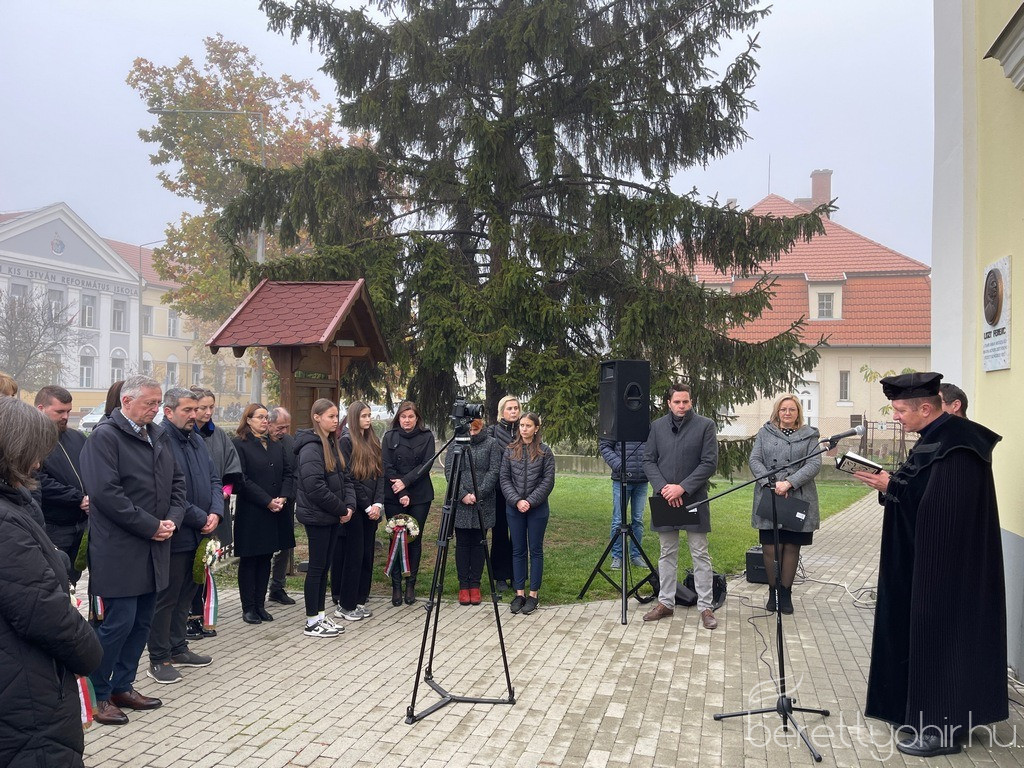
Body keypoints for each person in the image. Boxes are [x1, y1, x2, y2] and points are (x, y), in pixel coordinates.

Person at [853, 372, 1006, 758]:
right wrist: (891, 487)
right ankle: (915, 711)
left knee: (942, 638)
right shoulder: (935, 437)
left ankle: (942, 729)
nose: (896, 417)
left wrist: (893, 488)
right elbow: (920, 493)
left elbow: (945, 515)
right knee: (921, 635)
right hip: (924, 563)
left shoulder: (957, 445)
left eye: (900, 410)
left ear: (926, 408)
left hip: (946, 571)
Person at [0, 397, 103, 768]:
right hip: (24, 694)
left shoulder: (13, 509)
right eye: (35, 453)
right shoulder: (5, 523)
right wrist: (90, 654)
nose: (39, 464)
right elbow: (41, 610)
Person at [80, 374, 186, 725]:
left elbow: (177, 483)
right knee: (117, 624)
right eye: (149, 403)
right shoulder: (105, 438)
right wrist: (150, 525)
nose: (156, 409)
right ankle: (97, 694)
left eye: (158, 403)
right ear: (126, 401)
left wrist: (172, 520)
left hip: (155, 546)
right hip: (120, 550)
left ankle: (122, 686)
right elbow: (107, 495)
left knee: (141, 623)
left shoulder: (157, 435)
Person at [146, 388, 221, 684]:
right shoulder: (161, 440)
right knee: (167, 597)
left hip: (201, 533)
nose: (194, 415)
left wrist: (216, 511)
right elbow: (168, 491)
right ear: (168, 412)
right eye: (187, 410)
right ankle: (159, 657)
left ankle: (179, 648)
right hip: (177, 533)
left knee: (187, 593)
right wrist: (202, 517)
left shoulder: (196, 439)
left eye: (196, 409)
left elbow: (214, 478)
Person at [641, 383, 719, 629]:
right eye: (677, 402)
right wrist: (665, 488)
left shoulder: (705, 426)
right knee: (667, 552)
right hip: (664, 498)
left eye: (685, 401)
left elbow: (709, 463)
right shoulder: (657, 427)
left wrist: (682, 488)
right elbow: (648, 460)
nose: (682, 406)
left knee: (700, 553)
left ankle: (706, 607)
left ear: (691, 401)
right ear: (669, 403)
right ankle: (665, 602)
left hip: (694, 498)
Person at [748, 394, 821, 614]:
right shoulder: (764, 432)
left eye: (792, 409)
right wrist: (771, 483)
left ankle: (786, 593)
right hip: (769, 493)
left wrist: (789, 483)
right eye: (783, 409)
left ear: (798, 412)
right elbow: (754, 460)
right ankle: (773, 592)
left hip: (797, 495)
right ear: (777, 412)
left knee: (790, 545)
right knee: (771, 547)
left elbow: (814, 463)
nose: (787, 413)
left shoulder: (810, 436)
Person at [295, 399, 355, 637]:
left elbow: (345, 477)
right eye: (330, 416)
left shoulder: (331, 443)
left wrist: (349, 506)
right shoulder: (310, 448)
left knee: (324, 568)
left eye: (336, 416)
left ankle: (320, 615)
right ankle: (311, 621)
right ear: (317, 417)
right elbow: (315, 487)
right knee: (316, 568)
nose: (335, 420)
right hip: (317, 515)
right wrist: (341, 509)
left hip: (331, 515)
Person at [232, 403, 295, 625]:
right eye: (259, 417)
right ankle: (248, 607)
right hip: (253, 511)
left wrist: (283, 497)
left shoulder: (275, 444)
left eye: (266, 417)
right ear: (248, 420)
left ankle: (260, 605)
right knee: (250, 560)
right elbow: (241, 479)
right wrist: (266, 500)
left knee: (266, 557)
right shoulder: (240, 444)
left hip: (275, 509)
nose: (265, 421)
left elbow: (288, 473)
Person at [188, 386, 242, 639]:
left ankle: (201, 615)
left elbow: (231, 466)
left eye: (211, 407)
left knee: (206, 564)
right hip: (193, 511)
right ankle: (189, 617)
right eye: (203, 407)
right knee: (191, 566)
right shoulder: (186, 435)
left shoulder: (218, 435)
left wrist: (226, 488)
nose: (208, 412)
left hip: (215, 508)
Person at [499, 411, 555, 615]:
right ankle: (519, 593)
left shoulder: (545, 452)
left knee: (535, 550)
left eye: (528, 425)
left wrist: (530, 502)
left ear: (536, 428)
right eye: (521, 425)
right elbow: (504, 478)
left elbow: (548, 481)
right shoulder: (510, 450)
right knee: (518, 550)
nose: (524, 429)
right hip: (514, 508)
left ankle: (533, 595)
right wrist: (517, 501)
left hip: (537, 509)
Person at [34, 385, 89, 585]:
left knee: (73, 580)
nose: (65, 417)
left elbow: (91, 470)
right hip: (54, 526)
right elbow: (38, 480)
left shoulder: (77, 437)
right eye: (59, 412)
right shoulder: (31, 440)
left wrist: (91, 496)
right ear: (41, 408)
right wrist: (78, 498)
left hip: (81, 524)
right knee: (54, 581)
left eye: (68, 411)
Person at [382, 400, 435, 606]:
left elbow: (426, 464)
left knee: (414, 538)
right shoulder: (389, 437)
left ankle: (410, 584)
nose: (407, 420)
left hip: (420, 494)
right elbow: (386, 465)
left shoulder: (427, 436)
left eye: (411, 417)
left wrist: (406, 482)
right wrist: (401, 490)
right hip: (394, 493)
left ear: (417, 418)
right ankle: (396, 586)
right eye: (403, 417)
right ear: (398, 418)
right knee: (396, 538)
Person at [446, 418, 502, 605]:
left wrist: (479, 493)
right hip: (461, 501)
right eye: (469, 430)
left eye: (475, 430)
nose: (471, 433)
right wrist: (462, 494)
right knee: (462, 544)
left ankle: (475, 584)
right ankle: (464, 585)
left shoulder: (492, 444)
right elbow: (450, 471)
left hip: (483, 501)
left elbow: (494, 471)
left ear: (481, 428)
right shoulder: (456, 443)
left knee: (479, 543)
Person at [337, 401, 385, 619]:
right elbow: (350, 478)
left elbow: (381, 473)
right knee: (354, 556)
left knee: (367, 555)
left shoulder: (373, 439)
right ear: (354, 418)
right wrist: (366, 506)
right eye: (364, 416)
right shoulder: (346, 441)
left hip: (372, 508)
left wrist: (378, 504)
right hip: (357, 508)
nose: (368, 419)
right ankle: (346, 605)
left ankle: (359, 600)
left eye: (369, 415)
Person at [598, 437, 648, 570]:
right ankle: (617, 556)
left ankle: (636, 556)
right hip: (621, 479)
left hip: (642, 480)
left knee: (638, 520)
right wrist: (620, 466)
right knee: (618, 520)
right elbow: (605, 446)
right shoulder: (616, 426)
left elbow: (654, 446)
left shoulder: (646, 426)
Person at [487, 396, 519, 595]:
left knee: (517, 535)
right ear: (502, 412)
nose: (513, 411)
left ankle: (517, 575)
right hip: (499, 491)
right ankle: (500, 575)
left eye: (516, 408)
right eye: (509, 408)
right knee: (499, 533)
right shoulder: (493, 431)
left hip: (520, 491)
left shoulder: (524, 429)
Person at [267, 406, 298, 605]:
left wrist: (286, 496)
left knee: (285, 546)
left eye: (287, 427)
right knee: (264, 548)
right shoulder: (260, 442)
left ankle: (277, 587)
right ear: (268, 423)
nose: (284, 431)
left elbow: (294, 472)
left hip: (285, 501)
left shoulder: (289, 442)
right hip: (264, 502)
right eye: (280, 427)